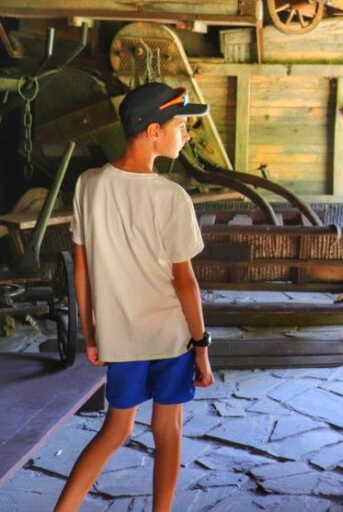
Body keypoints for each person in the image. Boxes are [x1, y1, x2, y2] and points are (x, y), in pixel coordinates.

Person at [55, 82, 215, 512]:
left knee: (115, 429)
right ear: (152, 132)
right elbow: (185, 284)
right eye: (180, 125)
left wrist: (91, 333)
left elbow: (82, 269)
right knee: (169, 430)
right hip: (169, 336)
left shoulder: (89, 185)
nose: (186, 134)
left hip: (120, 337)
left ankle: (63, 509)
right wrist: (201, 346)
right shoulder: (172, 197)